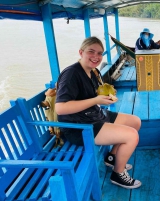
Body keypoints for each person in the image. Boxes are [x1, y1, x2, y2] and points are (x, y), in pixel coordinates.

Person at [55, 36, 142, 189]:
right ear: (81, 52)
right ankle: (118, 173)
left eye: (100, 53)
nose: (96, 57)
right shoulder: (71, 74)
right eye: (91, 52)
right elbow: (60, 108)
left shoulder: (94, 72)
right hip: (79, 127)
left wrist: (108, 95)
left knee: (135, 122)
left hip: (94, 116)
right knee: (131, 136)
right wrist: (96, 101)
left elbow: (95, 94)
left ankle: (111, 157)